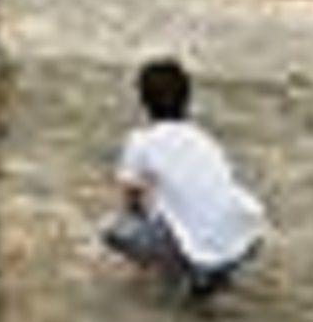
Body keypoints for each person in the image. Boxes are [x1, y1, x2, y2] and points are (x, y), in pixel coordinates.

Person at [102, 58, 266, 303]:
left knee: (116, 230)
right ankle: (213, 268)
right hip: (244, 238)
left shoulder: (142, 142)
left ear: (143, 102)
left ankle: (186, 272)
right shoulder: (202, 138)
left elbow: (131, 199)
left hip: (197, 249)